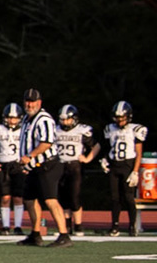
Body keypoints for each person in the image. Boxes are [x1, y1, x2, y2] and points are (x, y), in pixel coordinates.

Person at [18, 88, 70, 246]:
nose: (29, 104)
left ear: (39, 103)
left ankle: (64, 235)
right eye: (27, 101)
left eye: (33, 101)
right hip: (34, 165)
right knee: (29, 199)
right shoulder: (26, 119)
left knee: (50, 200)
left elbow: (46, 143)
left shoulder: (44, 119)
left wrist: (30, 156)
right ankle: (36, 233)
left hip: (48, 164)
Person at [52, 104, 96, 235]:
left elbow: (95, 145)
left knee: (74, 196)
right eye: (63, 119)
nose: (65, 122)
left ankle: (78, 225)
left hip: (75, 166)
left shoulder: (82, 130)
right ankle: (66, 226)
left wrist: (88, 159)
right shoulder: (55, 130)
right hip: (60, 165)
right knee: (62, 197)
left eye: (68, 119)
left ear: (74, 119)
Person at [102, 102, 145, 236]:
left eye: (122, 117)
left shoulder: (135, 129)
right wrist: (105, 159)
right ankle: (115, 226)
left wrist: (135, 171)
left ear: (128, 116)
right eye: (117, 117)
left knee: (128, 197)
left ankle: (132, 226)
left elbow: (139, 153)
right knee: (115, 198)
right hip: (115, 165)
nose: (119, 120)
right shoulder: (110, 129)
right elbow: (109, 147)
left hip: (128, 165)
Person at [0, 102, 27, 234]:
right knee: (5, 198)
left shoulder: (25, 129)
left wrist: (28, 164)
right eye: (10, 117)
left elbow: (30, 148)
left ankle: (18, 226)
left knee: (18, 198)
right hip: (4, 165)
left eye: (14, 118)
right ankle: (5, 226)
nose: (12, 120)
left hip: (18, 165)